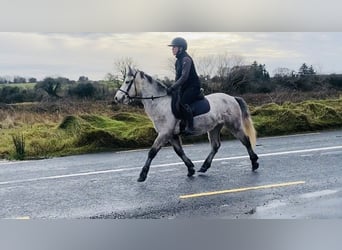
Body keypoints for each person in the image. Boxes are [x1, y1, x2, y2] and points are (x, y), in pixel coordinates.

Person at [167, 37, 201, 135]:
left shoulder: (186, 59)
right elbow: (177, 77)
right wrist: (173, 89)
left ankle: (190, 127)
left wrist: (173, 87)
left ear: (181, 48)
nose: (172, 49)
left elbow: (184, 77)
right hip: (184, 88)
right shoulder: (177, 61)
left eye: (174, 47)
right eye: (172, 47)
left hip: (193, 86)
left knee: (183, 102)